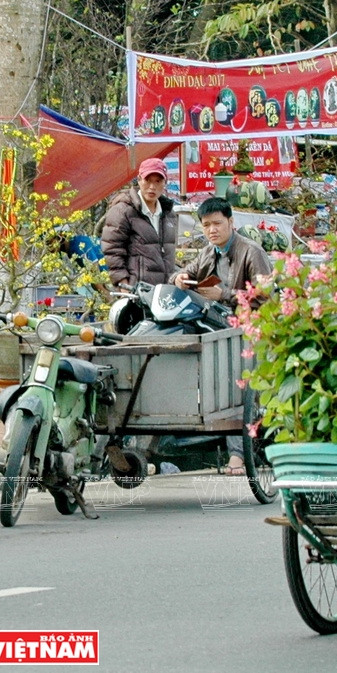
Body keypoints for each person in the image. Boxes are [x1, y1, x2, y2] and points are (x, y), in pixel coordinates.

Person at [172, 198, 272, 474]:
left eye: (217, 223)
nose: (212, 230)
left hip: (250, 330)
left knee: (234, 387)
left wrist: (225, 295)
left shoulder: (251, 251)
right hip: (218, 329)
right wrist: (179, 278)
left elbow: (266, 294)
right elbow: (186, 272)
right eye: (206, 225)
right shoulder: (209, 252)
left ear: (231, 222)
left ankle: (238, 455)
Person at [101, 158, 178, 289]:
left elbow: (169, 254)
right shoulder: (123, 210)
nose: (152, 187)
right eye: (148, 180)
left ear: (165, 183)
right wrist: (123, 284)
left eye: (158, 181)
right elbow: (113, 250)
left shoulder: (169, 214)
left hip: (165, 292)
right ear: (139, 179)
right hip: (136, 290)